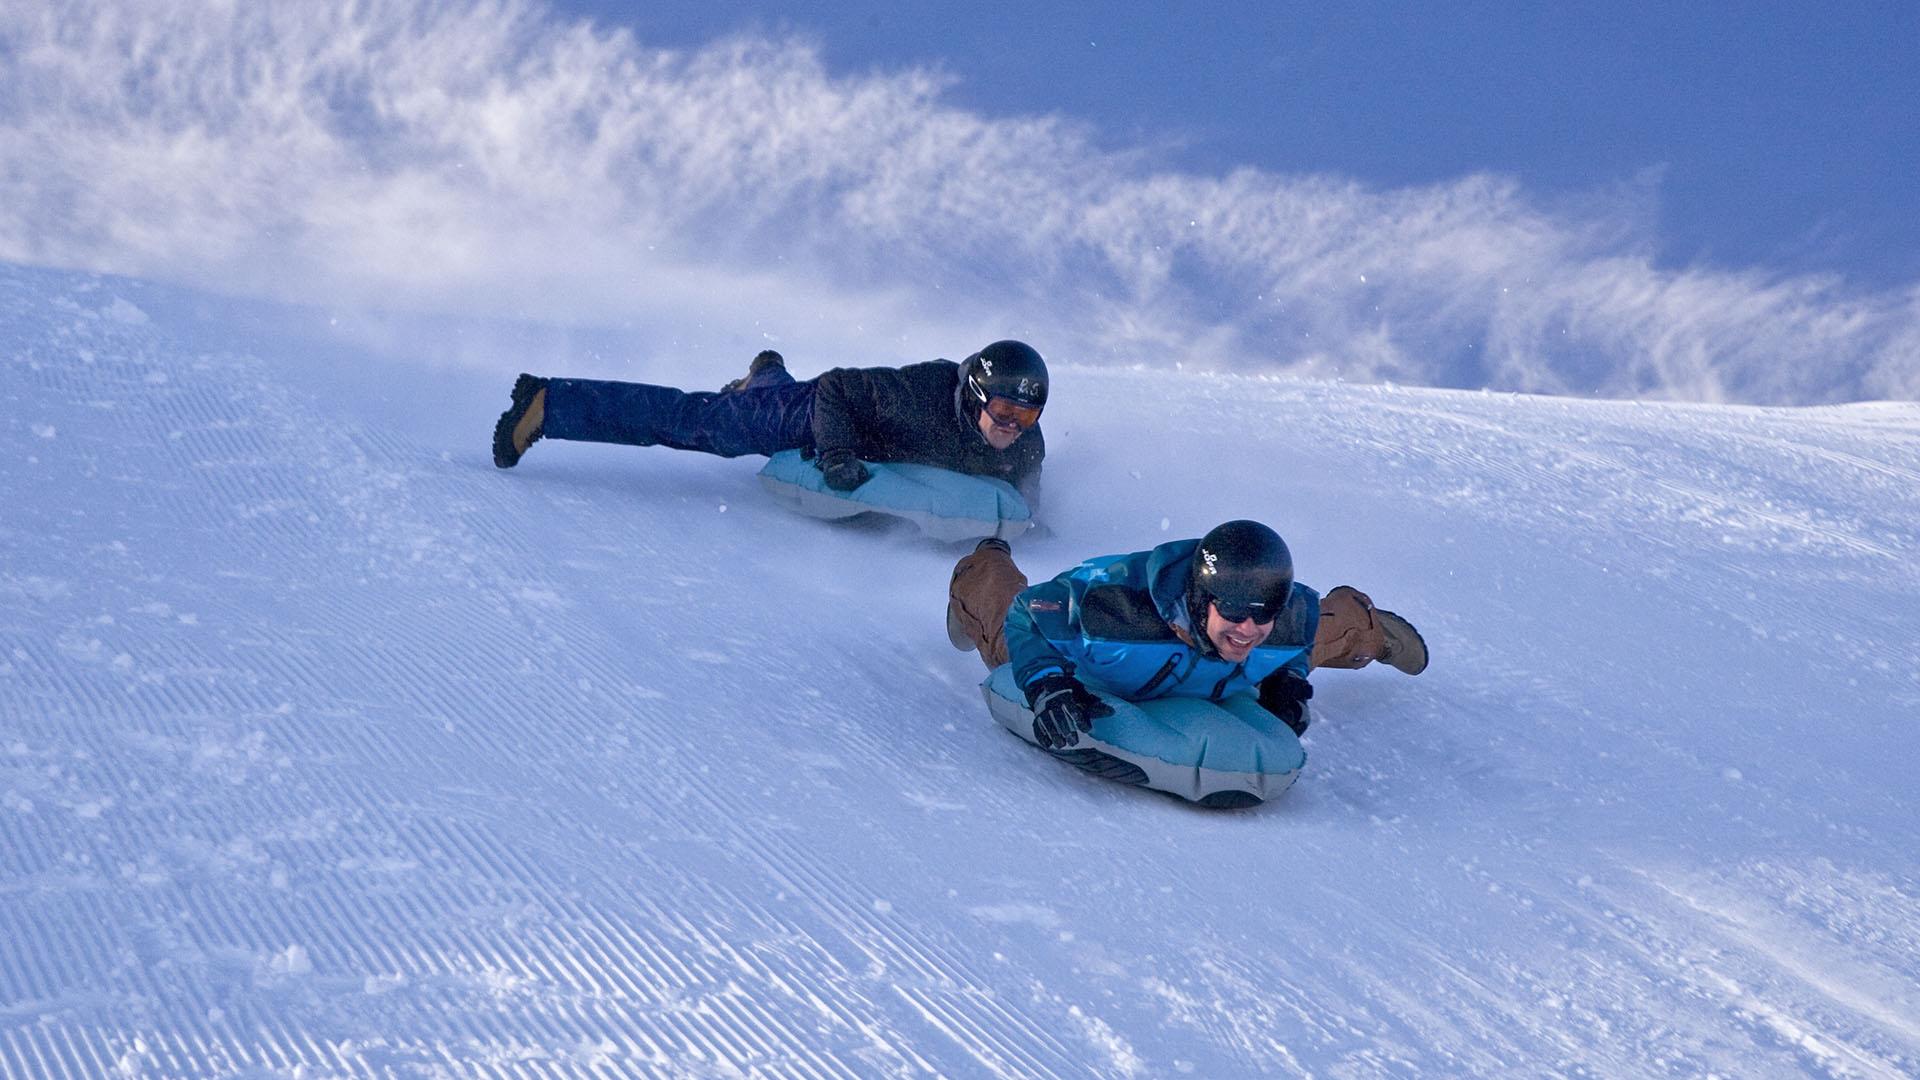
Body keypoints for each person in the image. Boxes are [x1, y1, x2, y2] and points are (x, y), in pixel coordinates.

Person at [945, 520, 1427, 749]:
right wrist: (1047, 684)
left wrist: (1289, 681)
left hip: (1215, 668)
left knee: (1315, 633)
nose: (1249, 627)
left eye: (1265, 614)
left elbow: (1297, 634)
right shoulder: (1112, 609)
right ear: (1202, 600)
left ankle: (1367, 625)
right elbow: (1030, 614)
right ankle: (981, 565)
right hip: (1093, 665)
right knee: (1003, 635)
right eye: (1236, 611)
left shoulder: (1281, 620)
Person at [491, 340, 1049, 507]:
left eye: (1027, 416)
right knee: (702, 424)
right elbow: (836, 389)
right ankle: (549, 402)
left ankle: (767, 373)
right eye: (1004, 412)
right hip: (819, 416)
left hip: (867, 442)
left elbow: (1027, 494)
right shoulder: (919, 394)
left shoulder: (1024, 446)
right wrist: (834, 455)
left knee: (744, 400)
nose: (1013, 427)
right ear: (975, 394)